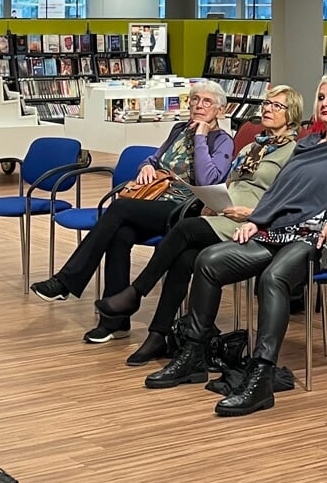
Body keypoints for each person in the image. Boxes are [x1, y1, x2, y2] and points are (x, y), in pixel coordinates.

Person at [144, 69, 327, 417]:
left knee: (274, 277)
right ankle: (193, 353)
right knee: (210, 261)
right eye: (321, 97)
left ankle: (261, 374)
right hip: (283, 229)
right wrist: (257, 219)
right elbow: (280, 192)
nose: (324, 103)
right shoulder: (307, 144)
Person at [95, 86, 304, 365]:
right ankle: (158, 334)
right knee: (183, 258)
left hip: (248, 220)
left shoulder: (293, 152)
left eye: (276, 106)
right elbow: (229, 181)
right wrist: (212, 200)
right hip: (223, 211)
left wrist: (252, 213)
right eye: (267, 103)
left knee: (185, 228)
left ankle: (136, 292)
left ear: (291, 115)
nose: (267, 108)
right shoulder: (255, 144)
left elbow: (288, 198)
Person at [30, 81, 235, 343]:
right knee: (120, 233)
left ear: (220, 109)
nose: (198, 106)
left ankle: (67, 281)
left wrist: (200, 137)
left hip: (185, 212)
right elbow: (156, 158)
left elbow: (209, 180)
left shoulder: (222, 141)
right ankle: (114, 323)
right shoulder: (178, 129)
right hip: (155, 201)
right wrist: (145, 167)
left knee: (120, 207)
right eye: (195, 100)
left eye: (207, 102)